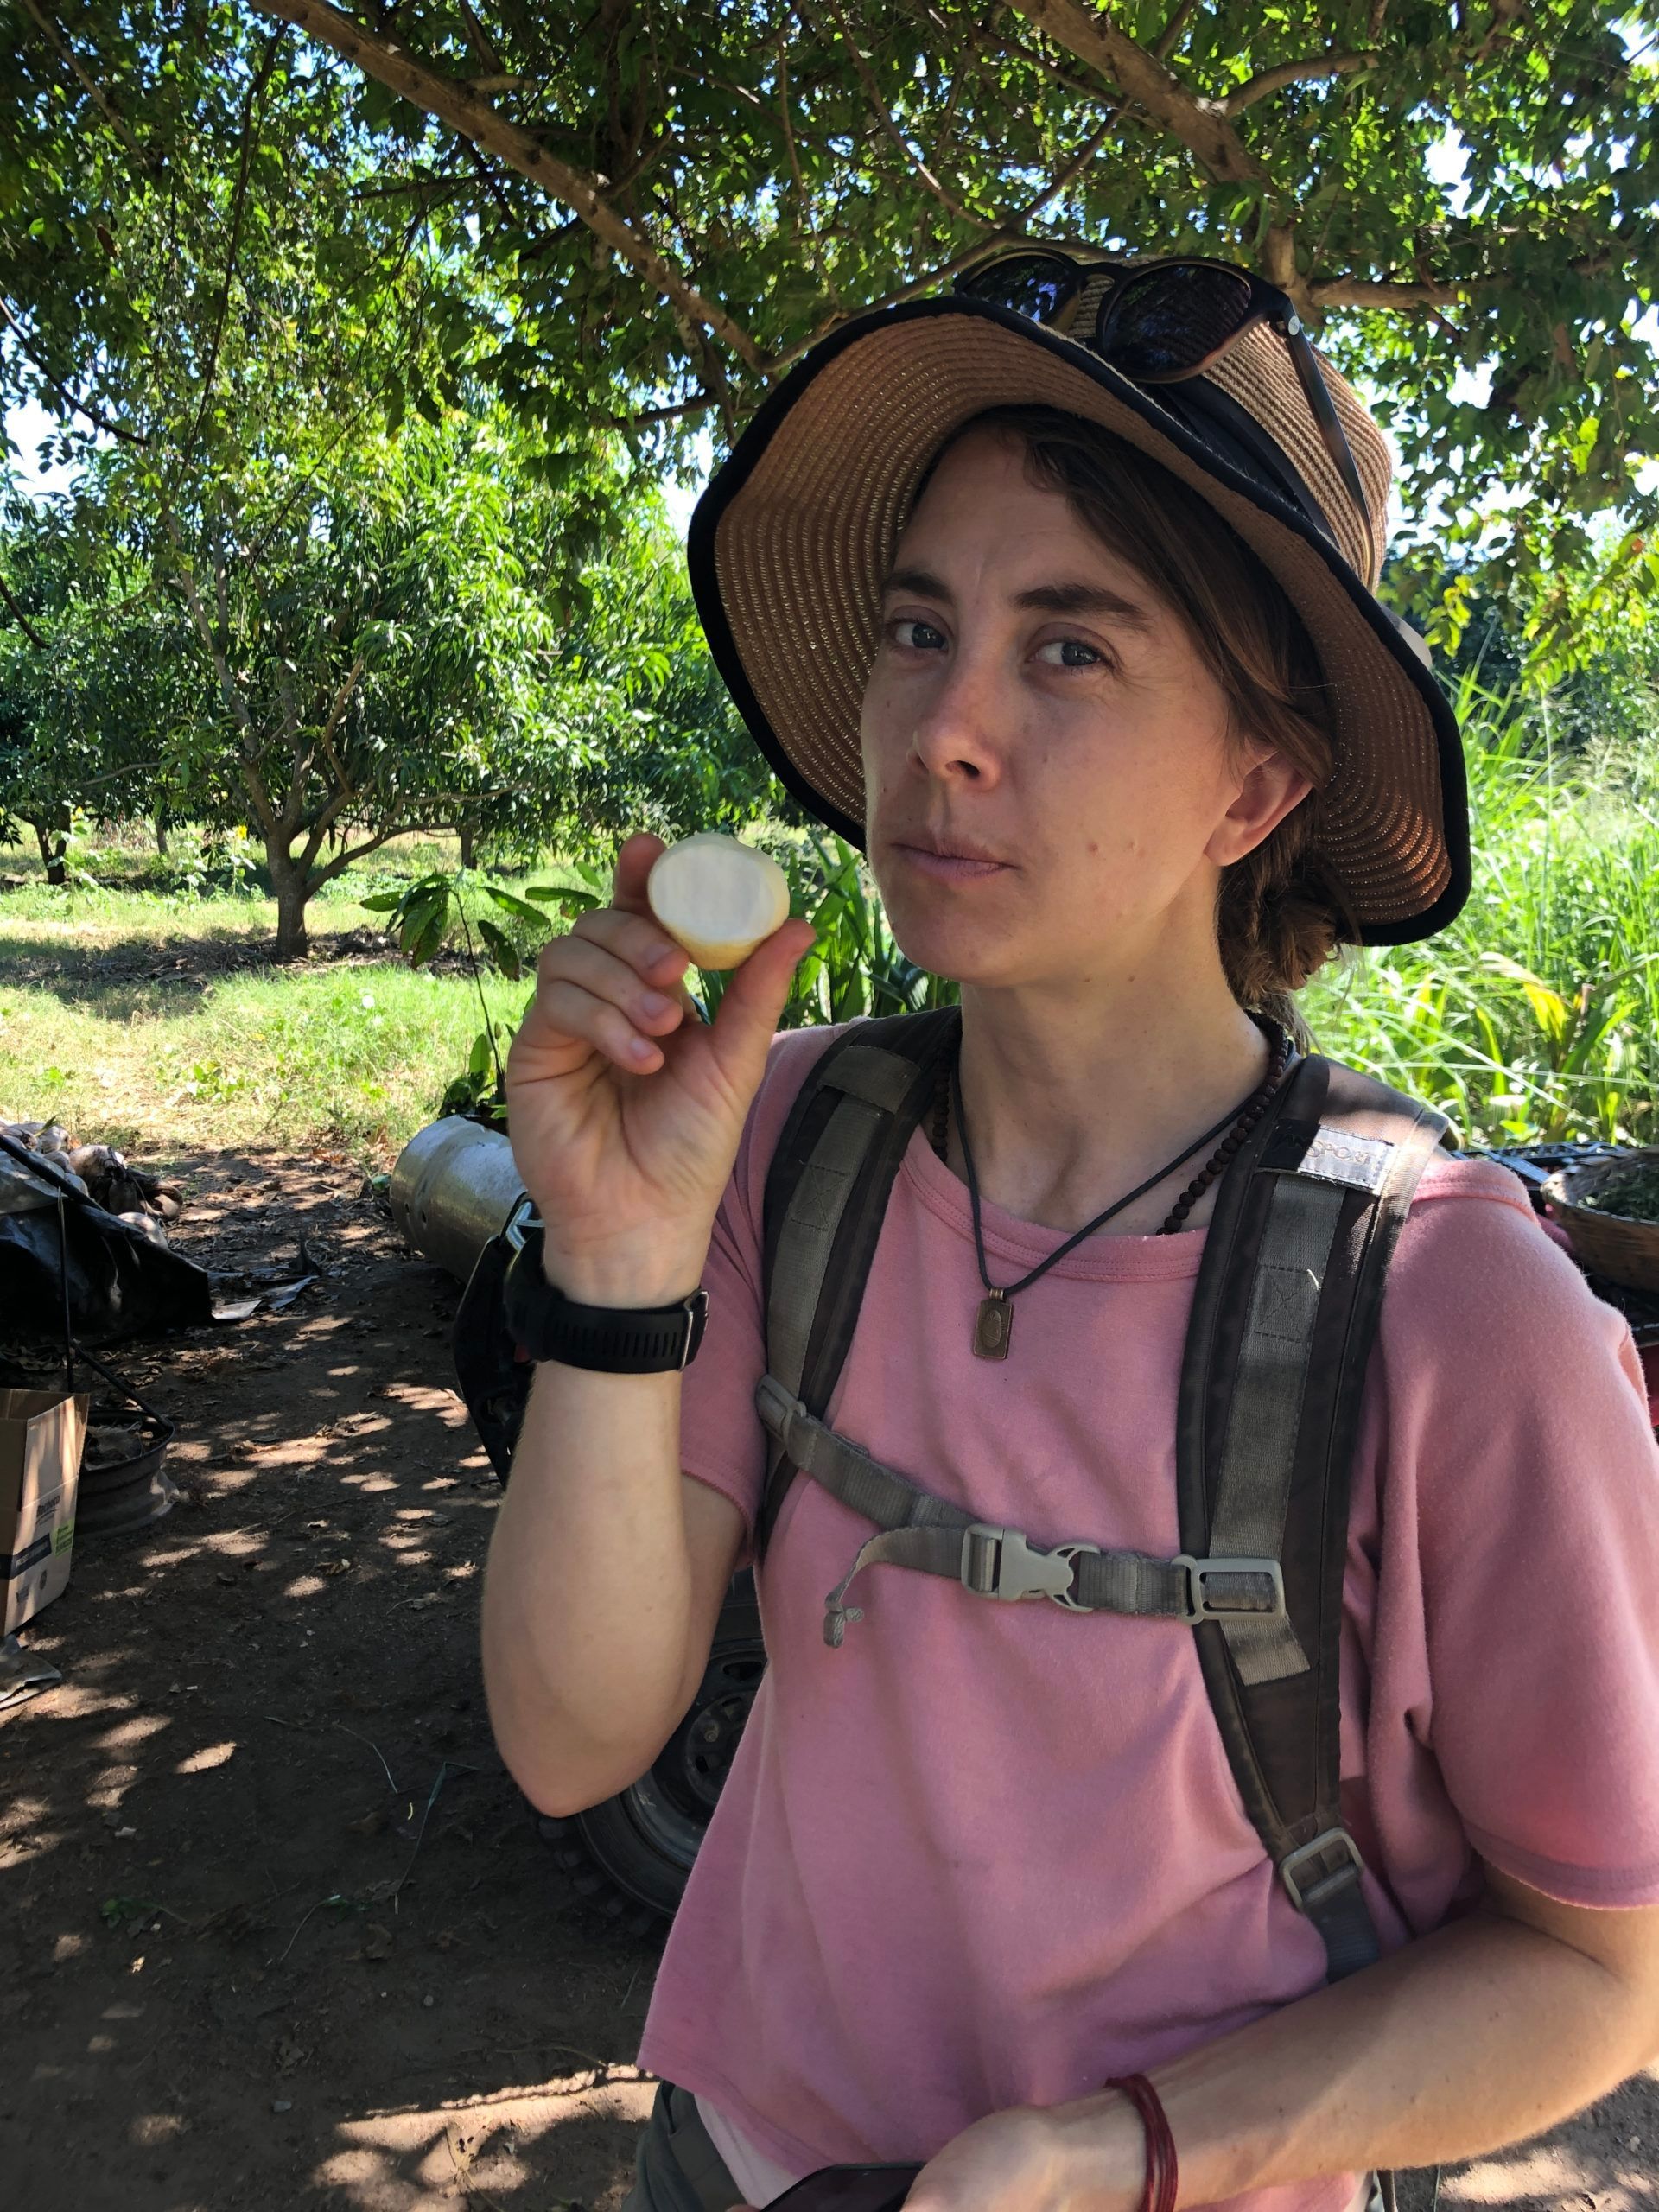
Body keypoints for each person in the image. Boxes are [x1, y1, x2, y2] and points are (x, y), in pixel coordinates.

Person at [481, 252, 1659, 2212]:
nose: (940, 728)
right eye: (919, 626)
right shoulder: (787, 1143)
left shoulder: (1456, 1313)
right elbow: (565, 1734)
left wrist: (1124, 2147)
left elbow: (1602, 1969)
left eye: (1071, 649)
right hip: (741, 2161)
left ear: (1258, 781)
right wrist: (615, 1259)